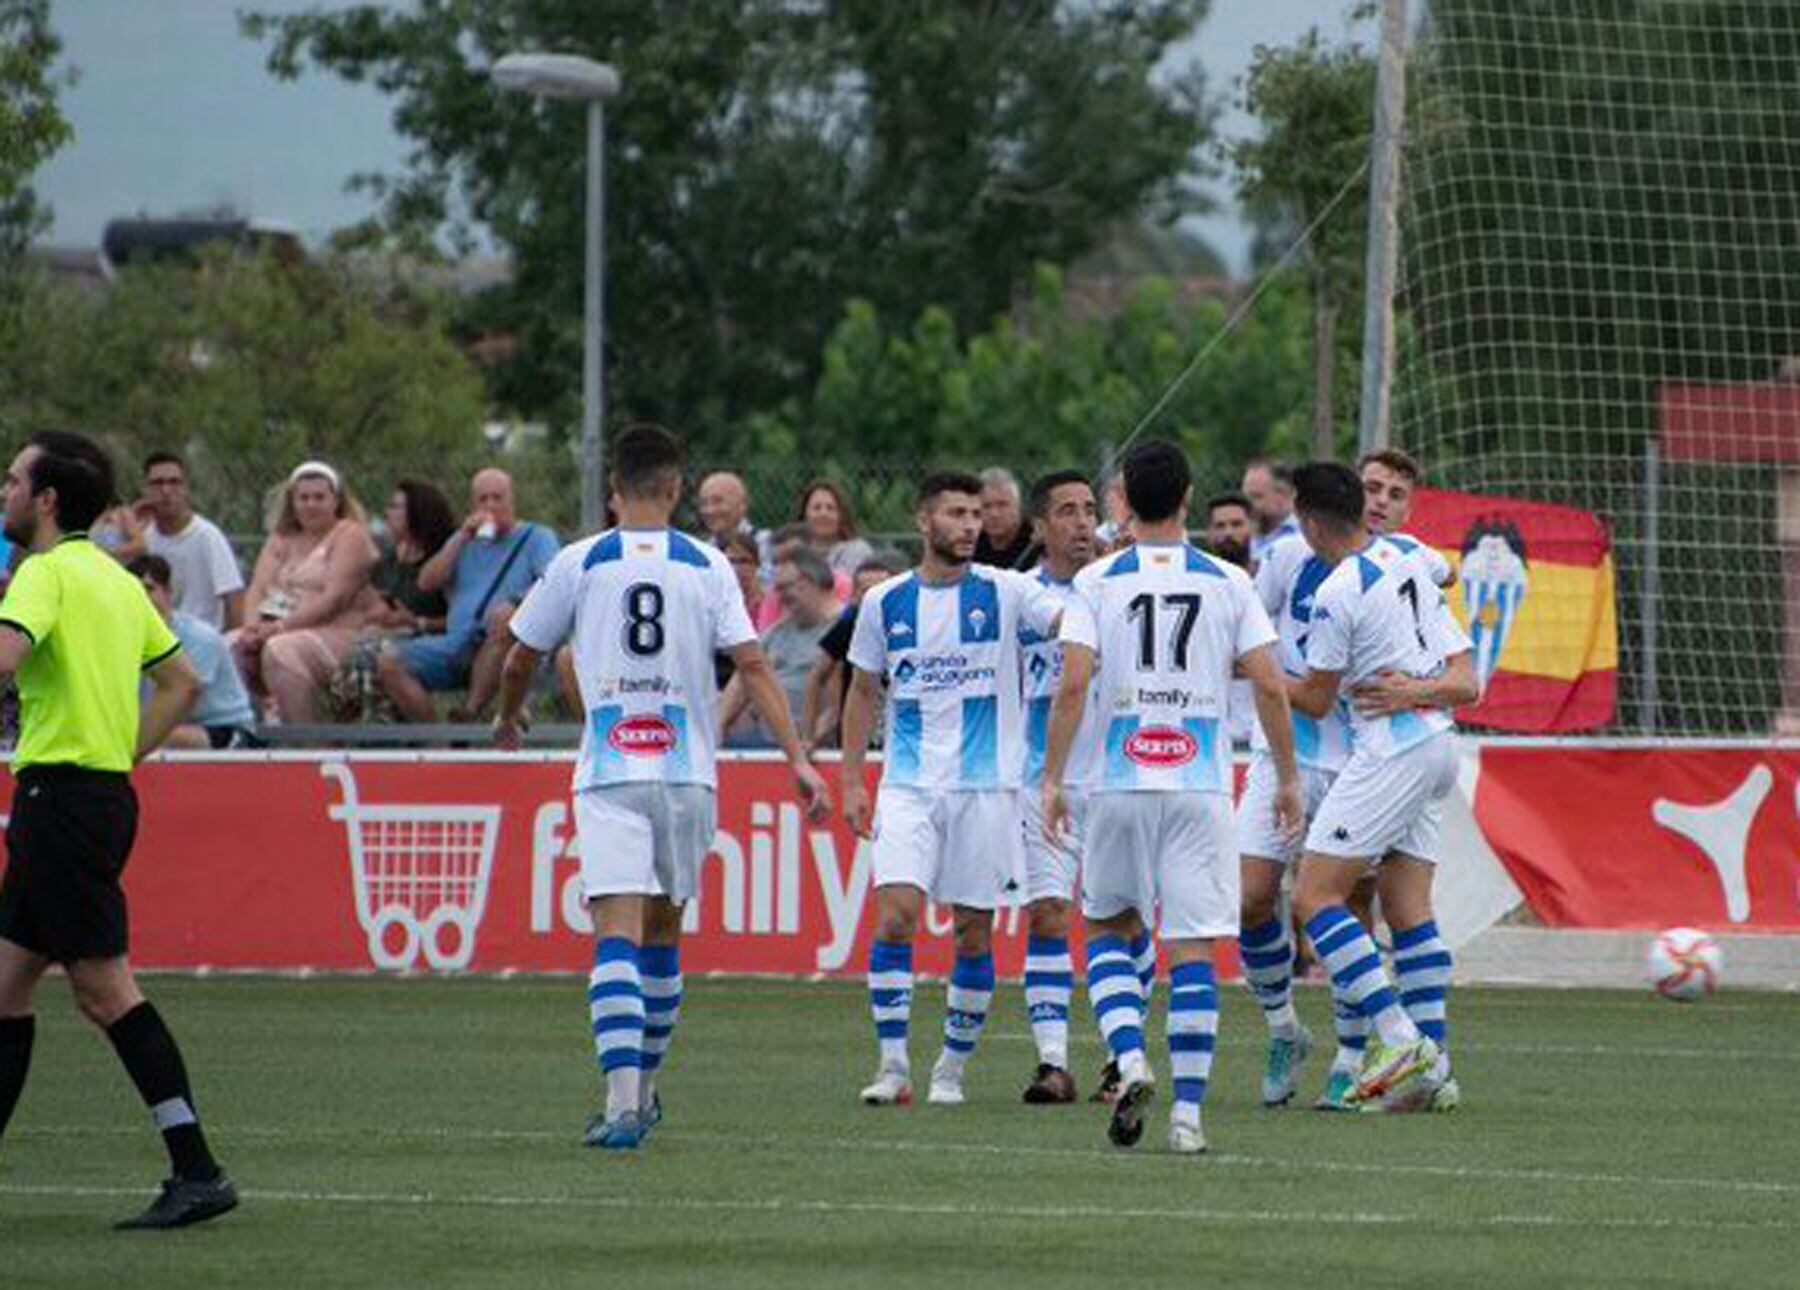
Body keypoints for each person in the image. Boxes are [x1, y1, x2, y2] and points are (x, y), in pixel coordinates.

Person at [494, 423, 829, 1150]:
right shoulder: (706, 564)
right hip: (685, 774)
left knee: (614, 930)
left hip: (611, 772)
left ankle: (620, 1107)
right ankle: (642, 1091)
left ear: (613, 491)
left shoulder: (580, 561)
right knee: (666, 934)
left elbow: (521, 653)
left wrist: (508, 713)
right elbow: (756, 665)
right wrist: (798, 758)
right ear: (676, 490)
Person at [0, 430, 236, 1229]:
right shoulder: (114, 579)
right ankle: (194, 1166)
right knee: (4, 985)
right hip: (93, 796)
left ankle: (196, 1167)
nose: (5, 493)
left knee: (105, 993)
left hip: (58, 803)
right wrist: (122, 747)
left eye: (12, 481)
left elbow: (5, 654)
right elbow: (183, 681)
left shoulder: (42, 573)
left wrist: (99, 750)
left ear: (48, 500)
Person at [1041, 438, 1301, 1155]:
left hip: (1118, 784)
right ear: (1188, 499)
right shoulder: (1227, 579)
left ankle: (1129, 1060)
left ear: (1123, 501)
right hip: (1200, 788)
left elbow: (1071, 685)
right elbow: (1273, 686)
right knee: (1192, 952)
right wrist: (1285, 777)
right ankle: (1188, 1117)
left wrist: (1053, 778)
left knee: (1107, 932)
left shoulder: (1096, 582)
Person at [1238, 446, 1457, 1111]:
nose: (1382, 501)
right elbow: (1248, 624)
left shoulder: (1399, 561)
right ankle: (1285, 1030)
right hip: (1288, 753)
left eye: (1395, 493)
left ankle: (1360, 1054)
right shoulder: (1284, 561)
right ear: (1352, 498)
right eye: (1372, 488)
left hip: (1363, 756)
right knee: (1253, 898)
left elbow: (1444, 576)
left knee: (1347, 905)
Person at [840, 471, 1063, 1108]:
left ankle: (950, 1070)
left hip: (988, 789)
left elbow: (1068, 623)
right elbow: (862, 690)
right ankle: (892, 1066)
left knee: (972, 933)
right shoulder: (885, 603)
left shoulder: (1011, 591)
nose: (971, 525)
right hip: (908, 787)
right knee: (895, 918)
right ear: (923, 522)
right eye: (956, 514)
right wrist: (854, 779)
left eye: (976, 514)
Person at [1012, 470, 1101, 1104]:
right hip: (1038, 782)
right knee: (1047, 914)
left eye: (1089, 510)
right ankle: (1053, 1064)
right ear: (1040, 527)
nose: (1081, 523)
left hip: (1113, 777)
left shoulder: (1119, 589)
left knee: (1117, 921)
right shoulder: (1018, 595)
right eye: (1066, 512)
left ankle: (1122, 1061)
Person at [378, 468, 557, 723]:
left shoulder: (536, 537)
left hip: (506, 643)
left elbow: (551, 581)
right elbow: (427, 582)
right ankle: (436, 744)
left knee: (503, 619)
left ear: (511, 500)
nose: (490, 505)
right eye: (483, 499)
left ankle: (469, 713)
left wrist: (514, 603)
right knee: (389, 663)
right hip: (458, 643)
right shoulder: (465, 541)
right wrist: (462, 536)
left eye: (498, 498)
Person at [231, 462, 380, 724]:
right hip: (275, 627)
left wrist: (279, 627)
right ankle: (242, 735)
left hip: (338, 633)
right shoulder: (281, 537)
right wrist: (251, 628)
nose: (311, 504)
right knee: (228, 647)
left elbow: (334, 599)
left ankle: (304, 743)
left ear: (336, 500)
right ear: (293, 502)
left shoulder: (349, 535)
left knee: (281, 651)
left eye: (320, 497)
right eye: (304, 498)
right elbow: (257, 588)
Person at [331, 480, 455, 722]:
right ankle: (346, 737)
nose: (388, 513)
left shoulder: (442, 561)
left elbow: (459, 620)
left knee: (368, 656)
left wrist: (415, 622)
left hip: (428, 637)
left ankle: (415, 739)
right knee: (356, 654)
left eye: (396, 506)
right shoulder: (387, 562)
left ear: (419, 511)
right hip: (386, 634)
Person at [129, 556, 258, 749]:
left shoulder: (200, 637)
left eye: (149, 589)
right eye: (133, 590)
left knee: (156, 733)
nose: (142, 597)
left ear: (168, 592)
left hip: (225, 729)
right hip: (168, 725)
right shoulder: (126, 636)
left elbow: (183, 696)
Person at [719, 547, 840, 748]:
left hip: (819, 748)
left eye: (785, 587)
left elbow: (838, 708)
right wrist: (718, 731)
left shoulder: (844, 631)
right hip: (767, 742)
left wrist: (807, 744)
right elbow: (742, 680)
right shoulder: (776, 633)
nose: (778, 596)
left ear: (811, 582)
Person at [800, 554, 907, 750]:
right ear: (855, 596)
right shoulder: (849, 626)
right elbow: (816, 677)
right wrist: (808, 736)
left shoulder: (908, 627)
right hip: (856, 738)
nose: (875, 598)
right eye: (867, 591)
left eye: (882, 590)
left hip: (902, 737)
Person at [139, 451, 245, 631]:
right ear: (145, 490)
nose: (166, 490)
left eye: (174, 482)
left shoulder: (208, 536)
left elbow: (234, 596)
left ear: (186, 488)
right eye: (157, 483)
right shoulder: (143, 540)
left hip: (201, 639)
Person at [696, 471, 772, 577]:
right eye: (704, 503)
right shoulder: (701, 550)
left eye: (717, 501)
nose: (709, 510)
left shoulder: (767, 543)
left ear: (742, 505)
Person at [795, 480, 874, 579]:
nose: (823, 514)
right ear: (804, 515)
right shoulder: (791, 552)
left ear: (841, 515)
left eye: (830, 508)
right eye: (816, 508)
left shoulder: (857, 551)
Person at [973, 467, 1033, 570]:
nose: (994, 514)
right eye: (986, 506)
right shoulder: (970, 541)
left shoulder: (1037, 541)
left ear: (1018, 507)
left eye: (1002, 505)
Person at [1242, 458, 1299, 564]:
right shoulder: (1244, 535)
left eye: (1257, 497)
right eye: (1246, 497)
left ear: (1284, 494)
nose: (1248, 504)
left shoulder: (1305, 537)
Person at [1203, 492, 1254, 569]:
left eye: (1236, 524)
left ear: (1252, 528)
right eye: (1220, 526)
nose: (1228, 533)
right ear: (1209, 533)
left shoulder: (1269, 572)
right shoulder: (1197, 577)